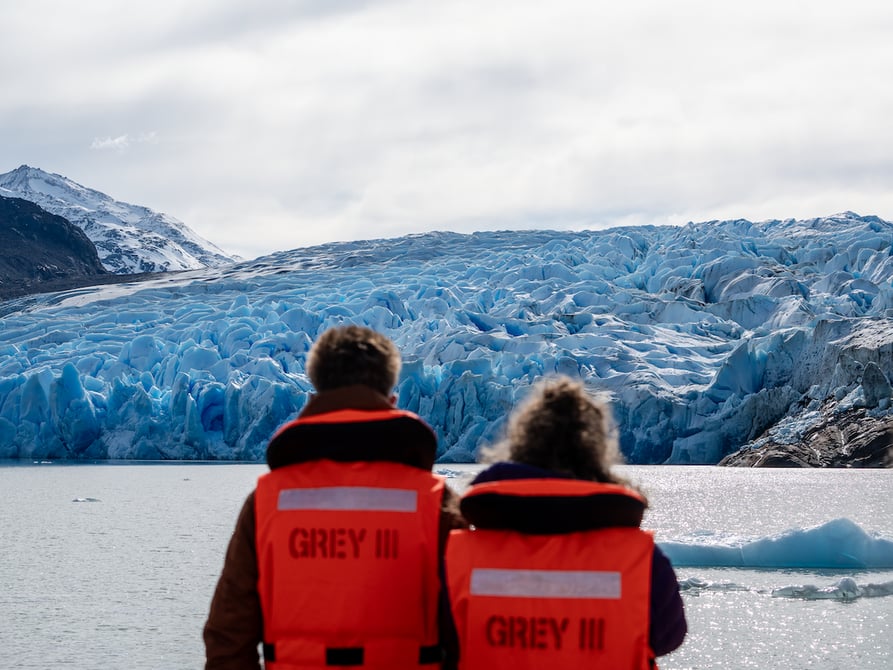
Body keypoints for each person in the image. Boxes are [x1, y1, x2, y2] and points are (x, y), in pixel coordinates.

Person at [204, 325, 465, 670]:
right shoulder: (433, 500)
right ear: (391, 400)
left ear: (314, 395)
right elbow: (465, 630)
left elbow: (229, 636)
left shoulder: (268, 502)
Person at [445, 376, 687, 669]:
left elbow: (442, 641)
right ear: (596, 453)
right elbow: (668, 637)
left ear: (520, 445)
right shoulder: (642, 561)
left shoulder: (458, 556)